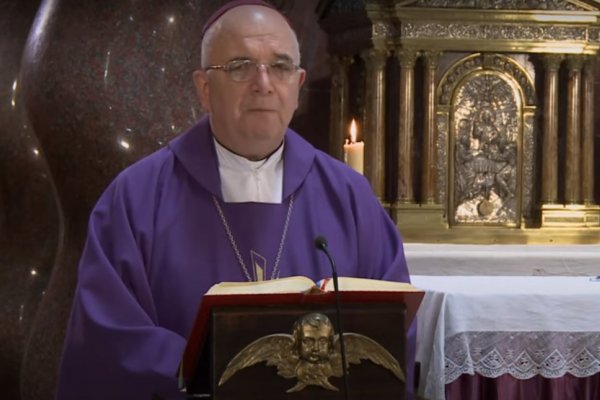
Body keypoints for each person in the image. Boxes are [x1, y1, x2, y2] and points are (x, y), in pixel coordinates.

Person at [55, 1, 415, 399]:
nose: (263, 83)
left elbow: (393, 328)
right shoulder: (137, 198)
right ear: (205, 89)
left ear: (297, 86)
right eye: (241, 66)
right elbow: (109, 339)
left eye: (279, 66)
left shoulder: (348, 196)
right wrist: (220, 371)